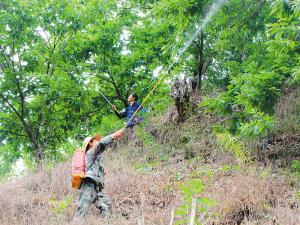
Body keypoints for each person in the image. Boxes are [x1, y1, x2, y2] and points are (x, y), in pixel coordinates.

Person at [74, 129, 124, 219]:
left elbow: (102, 147)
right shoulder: (91, 152)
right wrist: (114, 135)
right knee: (82, 208)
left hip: (97, 185)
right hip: (89, 183)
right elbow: (101, 144)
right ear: (90, 143)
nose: (97, 141)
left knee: (106, 205)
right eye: (95, 140)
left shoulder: (96, 155)